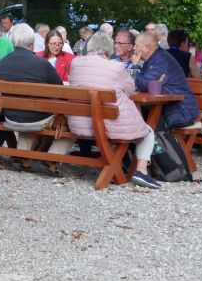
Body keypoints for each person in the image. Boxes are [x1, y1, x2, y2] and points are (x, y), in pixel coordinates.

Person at [67, 32, 160, 189]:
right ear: (109, 48)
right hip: (107, 125)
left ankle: (121, 164)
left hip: (79, 123)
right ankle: (141, 171)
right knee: (148, 132)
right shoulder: (116, 67)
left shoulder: (76, 63)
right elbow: (130, 89)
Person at [0, 23, 74, 163]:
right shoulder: (41, 63)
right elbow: (61, 90)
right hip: (36, 117)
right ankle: (52, 158)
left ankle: (22, 156)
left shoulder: (4, 62)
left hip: (10, 116)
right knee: (73, 122)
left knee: (28, 111)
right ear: (32, 43)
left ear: (12, 41)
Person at [132, 32, 199, 129]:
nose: (134, 48)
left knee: (134, 112)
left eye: (136, 45)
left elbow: (144, 85)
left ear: (146, 48)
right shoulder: (154, 58)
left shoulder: (160, 60)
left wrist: (135, 66)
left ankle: (152, 141)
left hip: (181, 110)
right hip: (169, 107)